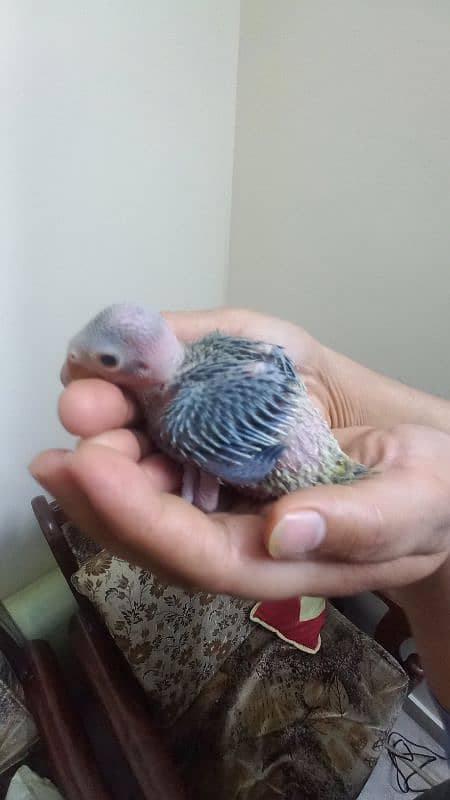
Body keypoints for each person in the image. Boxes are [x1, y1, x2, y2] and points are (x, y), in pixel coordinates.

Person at [30, 308, 450, 782]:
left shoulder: (181, 415)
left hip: (287, 466)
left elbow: (254, 459)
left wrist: (205, 472)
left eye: (104, 360)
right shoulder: (205, 355)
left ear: (142, 370)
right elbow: (279, 371)